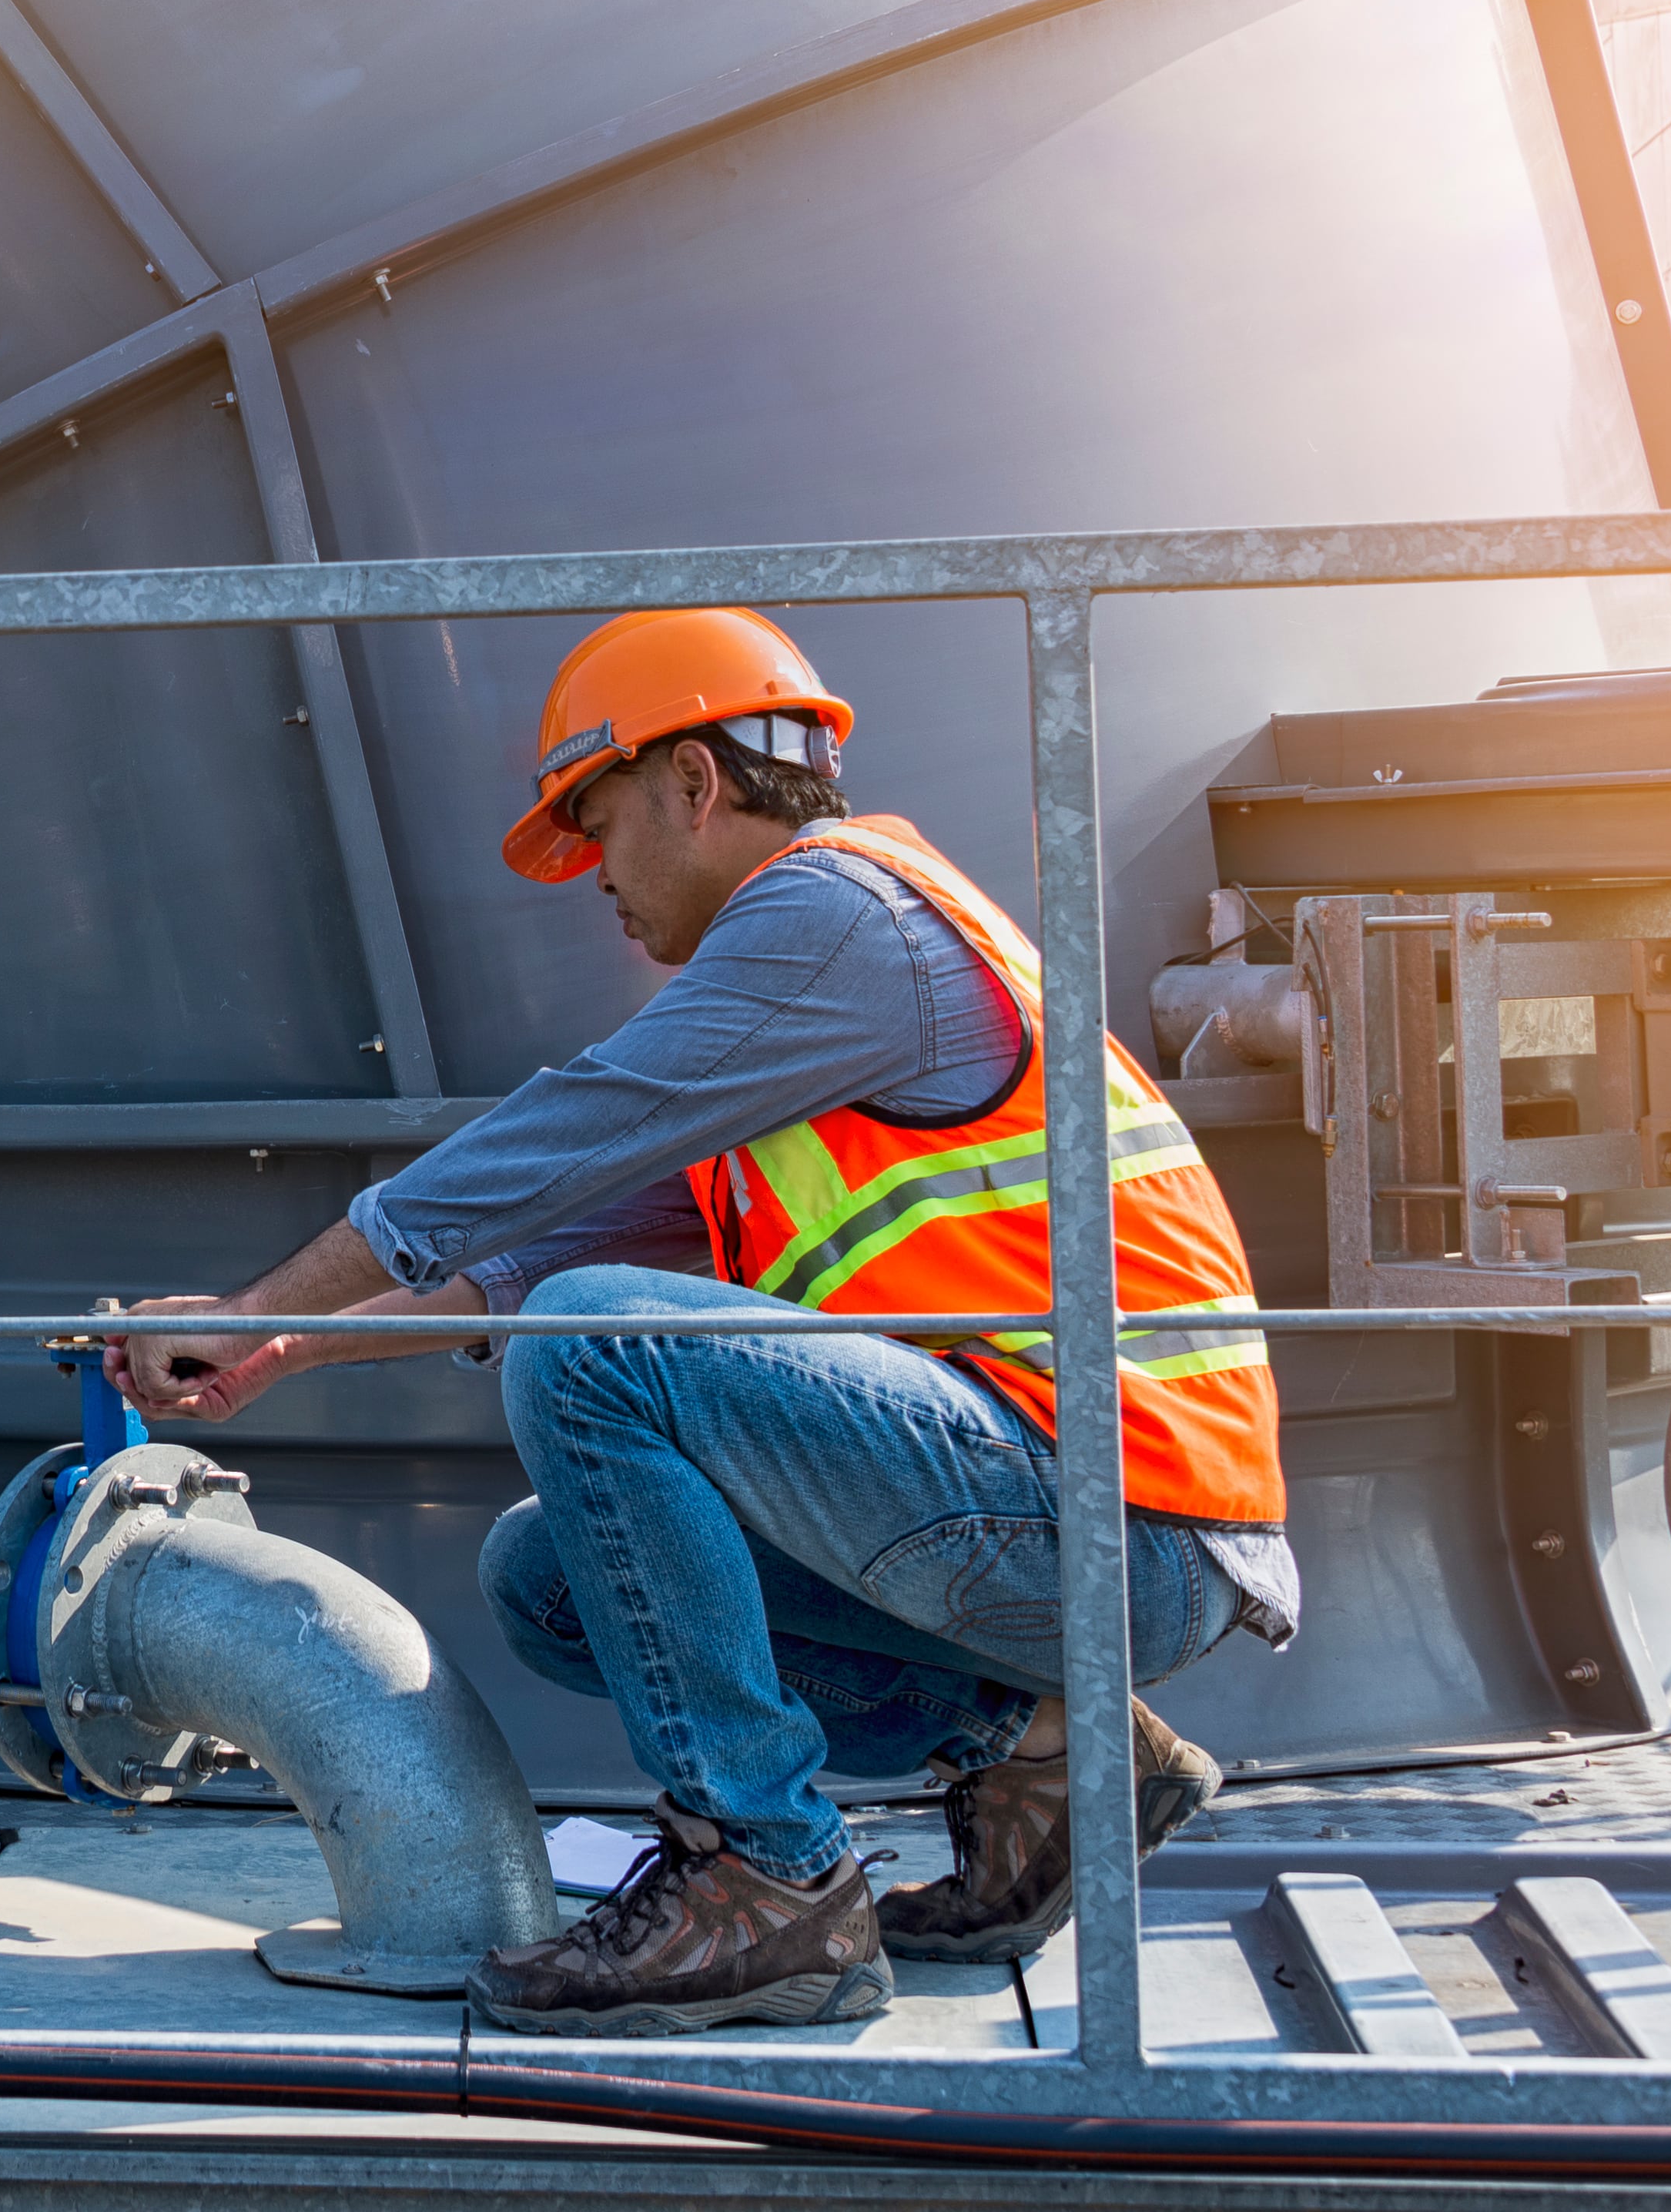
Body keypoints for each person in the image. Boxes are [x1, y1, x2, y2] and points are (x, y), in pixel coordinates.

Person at [109, 608, 1291, 2036]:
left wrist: (250, 1307)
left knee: (601, 1337)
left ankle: (769, 1889)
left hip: (1121, 1522)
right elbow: (524, 1261)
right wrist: (277, 1351)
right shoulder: (797, 1035)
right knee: (548, 1575)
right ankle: (1055, 1757)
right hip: (1065, 1513)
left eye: (598, 828)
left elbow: (564, 1140)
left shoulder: (835, 913)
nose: (596, 880)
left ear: (695, 783)